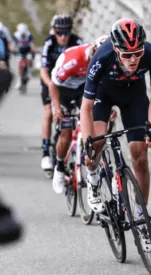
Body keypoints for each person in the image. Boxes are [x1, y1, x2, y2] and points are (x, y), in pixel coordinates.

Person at [81, 18, 151, 252]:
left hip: (133, 97)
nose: (133, 60)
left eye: (137, 53)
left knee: (140, 154)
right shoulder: (101, 58)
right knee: (97, 142)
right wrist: (88, 140)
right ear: (116, 49)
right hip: (102, 96)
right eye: (126, 55)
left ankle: (140, 218)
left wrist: (150, 128)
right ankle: (94, 178)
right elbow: (86, 107)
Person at [50, 35, 110, 194]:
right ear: (93, 52)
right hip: (62, 91)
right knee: (65, 133)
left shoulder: (104, 62)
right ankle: (59, 168)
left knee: (96, 123)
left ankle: (92, 160)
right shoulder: (75, 59)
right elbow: (53, 85)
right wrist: (57, 108)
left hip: (82, 91)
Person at [40, 14, 83, 173]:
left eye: (66, 32)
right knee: (48, 112)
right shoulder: (49, 43)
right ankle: (45, 152)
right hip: (51, 81)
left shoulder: (77, 42)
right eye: (59, 33)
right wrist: (51, 85)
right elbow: (43, 71)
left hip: (72, 83)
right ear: (54, 31)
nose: (63, 37)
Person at [12, 23, 36, 89]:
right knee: (19, 63)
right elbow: (13, 45)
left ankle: (30, 70)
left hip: (28, 50)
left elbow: (32, 45)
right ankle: (19, 80)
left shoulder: (29, 35)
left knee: (30, 58)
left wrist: (33, 52)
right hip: (20, 51)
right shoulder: (16, 35)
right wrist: (13, 51)